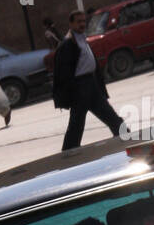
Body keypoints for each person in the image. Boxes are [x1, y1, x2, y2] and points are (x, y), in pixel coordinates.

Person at [53, 9, 126, 151]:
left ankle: (126, 137)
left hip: (91, 86)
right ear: (71, 23)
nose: (82, 24)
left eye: (84, 21)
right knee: (76, 126)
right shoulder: (68, 44)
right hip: (79, 89)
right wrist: (73, 93)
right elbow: (64, 74)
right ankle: (68, 155)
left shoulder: (81, 39)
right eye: (79, 21)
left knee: (112, 118)